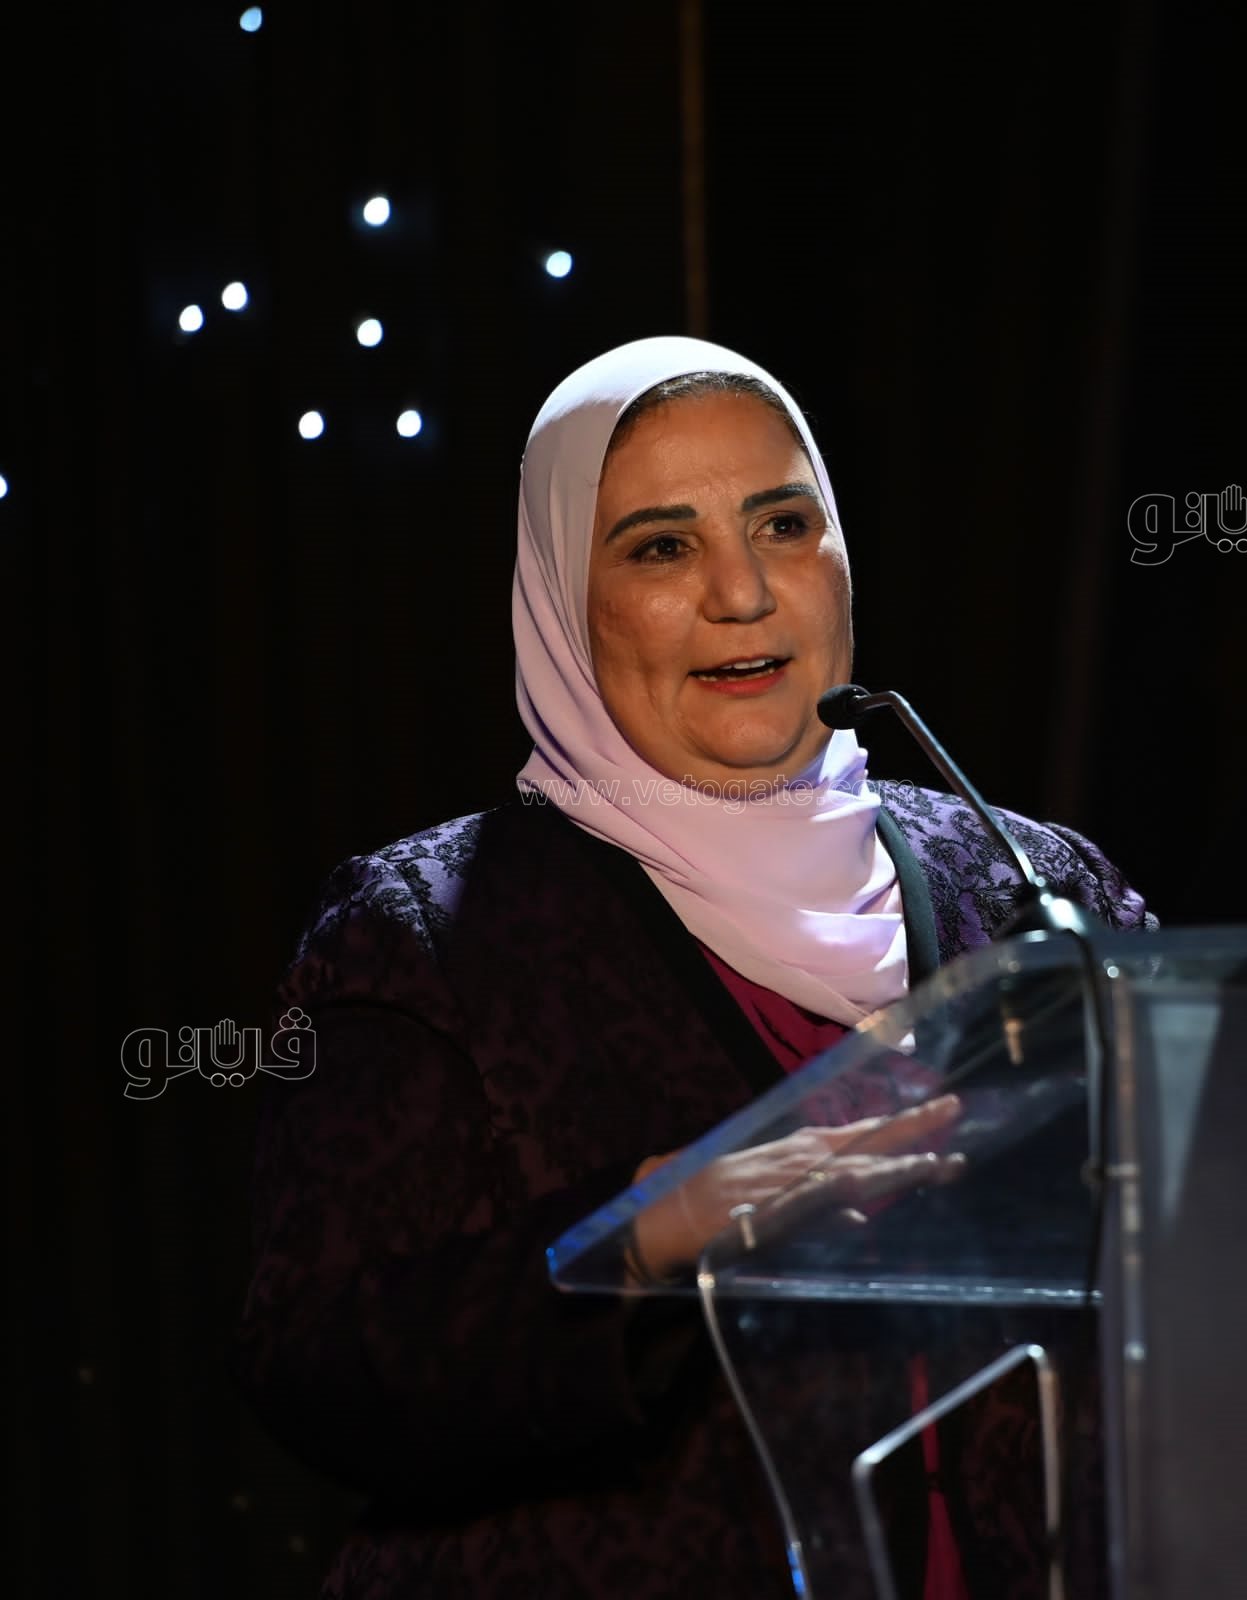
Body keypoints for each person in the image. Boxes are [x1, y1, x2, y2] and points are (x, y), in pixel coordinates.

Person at [229, 335, 1156, 1599]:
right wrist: (654, 1228)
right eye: (662, 547)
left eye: (784, 524)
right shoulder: (430, 929)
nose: (743, 592)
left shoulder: (1030, 883)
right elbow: (318, 1364)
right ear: (564, 601)